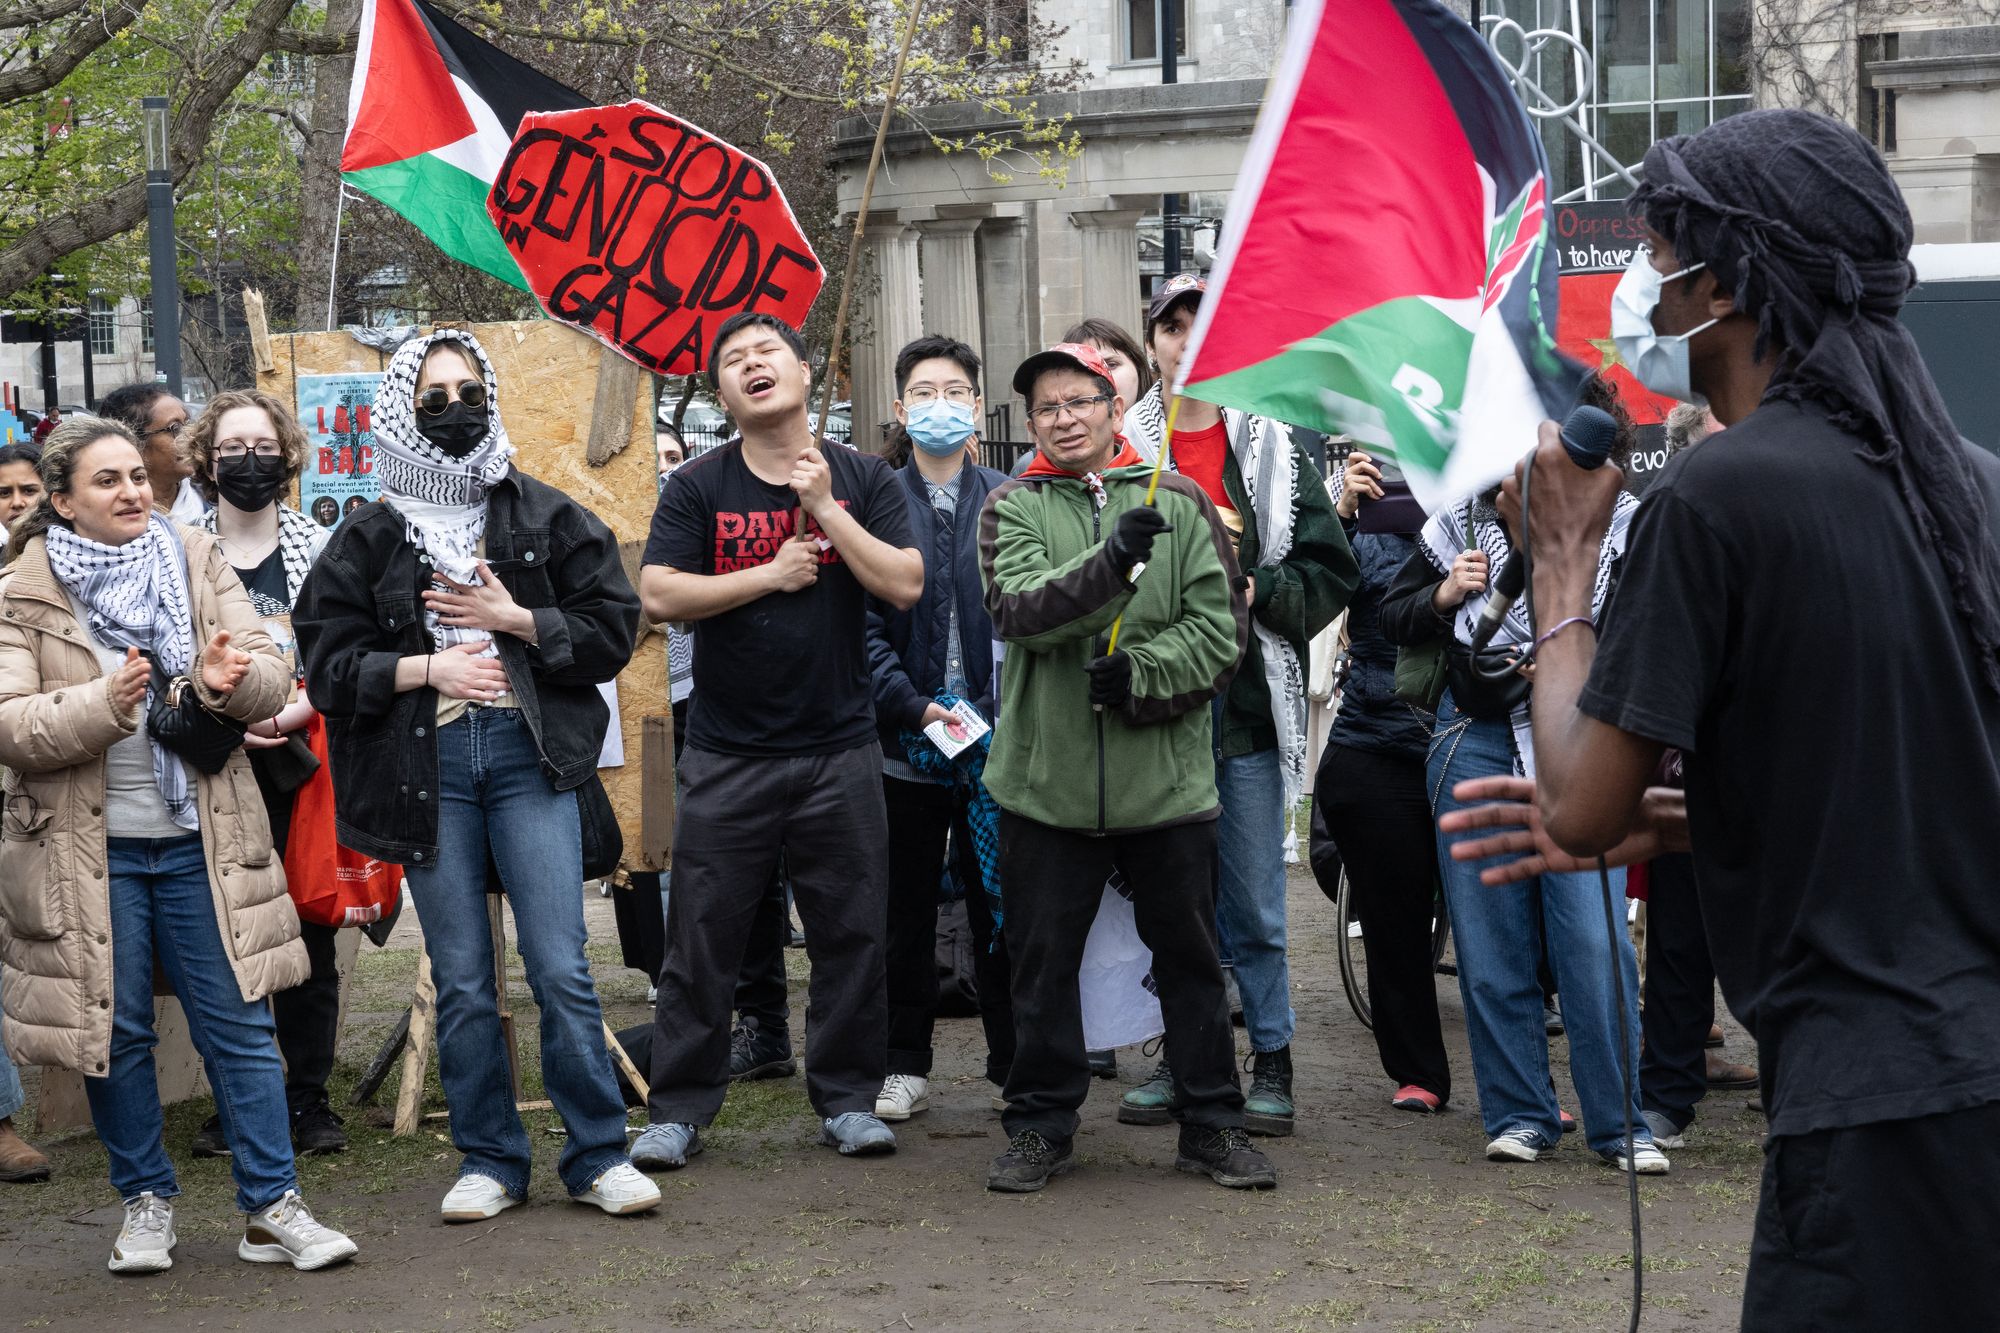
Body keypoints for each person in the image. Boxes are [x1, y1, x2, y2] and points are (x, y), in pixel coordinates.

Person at [1449, 110, 2000, 1326]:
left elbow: (1579, 800)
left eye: (1653, 253)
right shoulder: (1969, 481)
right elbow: (1912, 772)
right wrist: (1710, 820)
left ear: (1725, 286)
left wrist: (1557, 558)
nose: (1637, 285)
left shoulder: (1719, 493)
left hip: (1876, 1105)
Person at [294, 330, 659, 1223]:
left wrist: (518, 618)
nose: (455, 409)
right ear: (399, 413)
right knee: (461, 973)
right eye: (433, 397)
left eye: (469, 392)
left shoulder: (546, 512)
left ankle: (598, 1153)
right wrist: (427, 670)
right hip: (429, 770)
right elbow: (329, 666)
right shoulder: (368, 536)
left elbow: (616, 626)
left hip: (529, 760)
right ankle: (491, 1158)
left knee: (561, 963)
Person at [0, 416, 357, 1273]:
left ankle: (273, 1204)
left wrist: (228, 681)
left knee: (237, 1021)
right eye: (107, 481)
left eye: (137, 475)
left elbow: (272, 668)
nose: (132, 492)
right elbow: (12, 726)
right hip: (87, 853)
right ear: (62, 501)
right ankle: (146, 1201)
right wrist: (107, 700)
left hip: (203, 837)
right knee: (114, 1029)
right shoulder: (23, 589)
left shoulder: (194, 554)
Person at [978, 340, 1270, 1194]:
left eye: (1080, 401)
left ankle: (1213, 1121)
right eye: (1046, 408)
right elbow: (1019, 610)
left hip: (1167, 788)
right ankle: (1039, 1124)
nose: (1064, 419)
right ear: (1031, 424)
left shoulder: (1180, 500)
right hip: (1045, 785)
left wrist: (1142, 675)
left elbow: (1221, 636)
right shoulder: (1012, 504)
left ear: (1116, 410)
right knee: (1041, 962)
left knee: (1189, 957)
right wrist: (1111, 563)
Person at [634, 312, 922, 1170]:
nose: (753, 366)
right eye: (734, 361)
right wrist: (768, 572)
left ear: (804, 370)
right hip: (726, 752)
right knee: (701, 936)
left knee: (851, 932)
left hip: (839, 745)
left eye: (768, 353)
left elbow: (904, 583)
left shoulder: (864, 478)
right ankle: (678, 1107)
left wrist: (824, 508)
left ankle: (846, 1099)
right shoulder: (697, 485)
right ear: (720, 392)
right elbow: (657, 593)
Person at [1379, 378, 1666, 1176]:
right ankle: (1519, 1112)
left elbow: (1655, 636)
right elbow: (1394, 616)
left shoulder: (1630, 525)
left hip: (1583, 746)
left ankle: (1619, 1123)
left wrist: (1583, 663)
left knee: (1595, 934)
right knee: (1486, 935)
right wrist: (1444, 593)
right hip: (1471, 735)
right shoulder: (1464, 516)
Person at [1116, 273, 1356, 1137]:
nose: (1187, 339)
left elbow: (1331, 569)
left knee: (1253, 899)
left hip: (1246, 708)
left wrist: (1261, 586)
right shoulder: (1120, 447)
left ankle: (1275, 1061)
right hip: (1157, 710)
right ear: (1152, 344)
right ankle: (1188, 1061)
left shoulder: (1277, 446)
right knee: (1172, 901)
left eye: (1204, 323)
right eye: (1172, 325)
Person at [175, 389, 347, 1160]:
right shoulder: (176, 550)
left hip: (302, 760)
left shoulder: (323, 545)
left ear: (288, 455)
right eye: (233, 447)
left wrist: (297, 712)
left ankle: (307, 1099)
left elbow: (342, 654)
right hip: (214, 764)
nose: (250, 460)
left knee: (306, 931)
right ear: (208, 461)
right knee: (228, 937)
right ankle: (240, 1101)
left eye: (263, 445)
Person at [865, 334, 1014, 1121]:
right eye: (924, 392)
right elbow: (861, 628)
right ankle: (903, 1060)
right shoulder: (877, 499)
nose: (940, 406)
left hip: (994, 742)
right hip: (904, 741)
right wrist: (910, 702)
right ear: (900, 407)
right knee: (905, 904)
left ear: (978, 407)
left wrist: (996, 711)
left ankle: (1013, 1058)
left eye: (955, 391)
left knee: (999, 902)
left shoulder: (1009, 495)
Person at [1309, 445, 1453, 1115]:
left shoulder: (1482, 509)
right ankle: (1417, 1069)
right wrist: (1339, 514)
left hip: (1473, 734)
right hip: (1374, 735)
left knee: (1500, 922)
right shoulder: (1356, 522)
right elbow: (1310, 600)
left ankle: (1523, 1085)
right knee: (1393, 920)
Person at [98, 384, 207, 525]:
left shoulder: (212, 500)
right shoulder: (113, 520)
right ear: (134, 443)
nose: (191, 437)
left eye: (188, 423)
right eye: (175, 428)